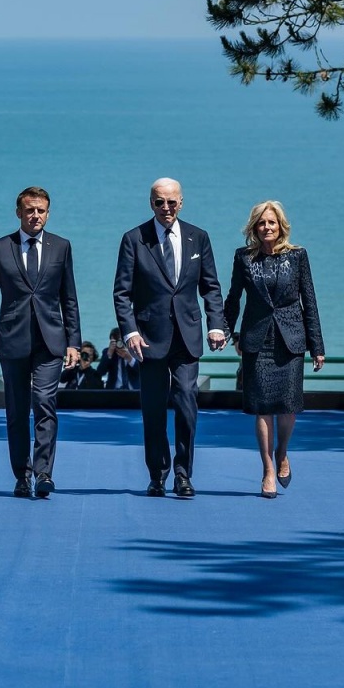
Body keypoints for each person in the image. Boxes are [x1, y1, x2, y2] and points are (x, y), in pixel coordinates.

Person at [113, 177, 226, 498]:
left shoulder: (198, 238)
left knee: (187, 402)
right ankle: (157, 473)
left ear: (181, 202)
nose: (166, 208)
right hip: (148, 339)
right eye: (160, 202)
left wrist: (215, 324)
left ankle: (183, 473)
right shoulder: (134, 239)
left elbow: (211, 287)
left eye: (172, 202)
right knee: (152, 409)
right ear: (151, 203)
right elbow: (121, 292)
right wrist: (130, 331)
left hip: (187, 337)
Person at [0, 186, 81, 499]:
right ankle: (22, 475)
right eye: (30, 210)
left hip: (51, 342)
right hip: (12, 340)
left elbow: (69, 298)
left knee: (45, 404)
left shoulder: (62, 247)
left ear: (48, 213)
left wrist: (74, 341)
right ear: (19, 212)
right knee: (17, 411)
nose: (35, 216)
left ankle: (44, 474)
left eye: (41, 211)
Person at [224, 200, 325, 499]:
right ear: (253, 228)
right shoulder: (244, 258)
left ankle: (282, 451)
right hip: (256, 341)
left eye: (272, 222)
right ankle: (267, 468)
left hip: (291, 340)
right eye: (261, 223)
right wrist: (225, 331)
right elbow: (233, 298)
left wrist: (317, 346)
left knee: (288, 406)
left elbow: (310, 301)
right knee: (262, 408)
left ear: (281, 226)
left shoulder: (298, 256)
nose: (267, 227)